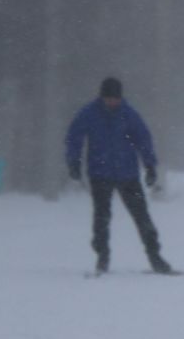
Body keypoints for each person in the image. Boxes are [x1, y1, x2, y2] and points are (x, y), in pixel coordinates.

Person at [63, 75, 169, 274]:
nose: (113, 102)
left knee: (141, 216)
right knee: (102, 217)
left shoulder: (128, 115)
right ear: (102, 97)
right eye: (109, 98)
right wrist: (73, 161)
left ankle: (155, 256)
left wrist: (150, 166)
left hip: (127, 174)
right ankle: (102, 255)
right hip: (100, 173)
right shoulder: (89, 114)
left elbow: (143, 139)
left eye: (116, 98)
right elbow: (74, 137)